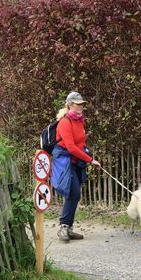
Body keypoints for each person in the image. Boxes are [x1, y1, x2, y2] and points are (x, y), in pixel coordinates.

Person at [52, 92, 101, 242]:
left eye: (81, 103)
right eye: (76, 104)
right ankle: (64, 228)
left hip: (76, 160)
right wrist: (90, 159)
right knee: (72, 192)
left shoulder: (80, 121)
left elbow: (80, 142)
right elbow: (71, 147)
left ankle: (68, 228)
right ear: (69, 105)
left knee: (75, 194)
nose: (80, 106)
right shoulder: (65, 122)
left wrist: (85, 152)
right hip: (65, 159)